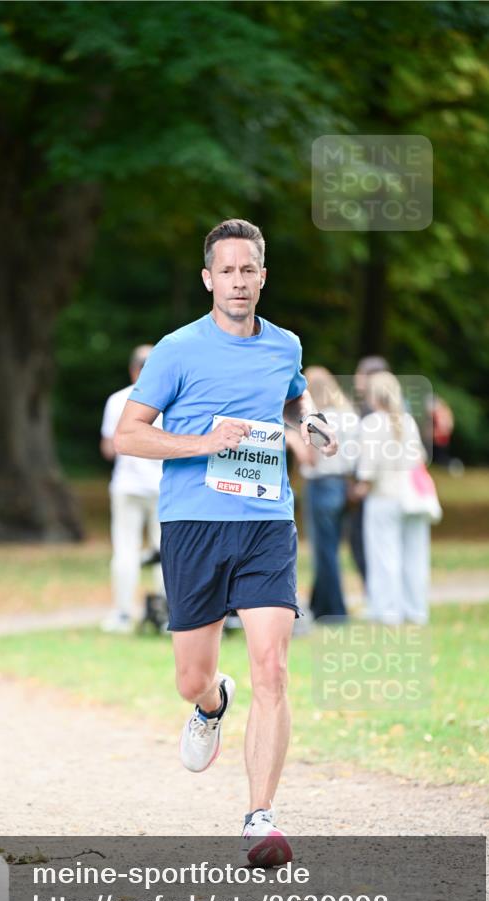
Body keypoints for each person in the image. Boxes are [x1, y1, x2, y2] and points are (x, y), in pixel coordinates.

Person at [114, 219, 337, 865]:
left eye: (248, 270)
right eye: (226, 271)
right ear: (208, 279)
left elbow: (294, 398)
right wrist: (203, 443)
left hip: (266, 522)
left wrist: (312, 422)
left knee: (273, 667)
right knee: (191, 677)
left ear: (262, 276)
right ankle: (211, 705)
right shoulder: (177, 350)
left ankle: (259, 819)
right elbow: (128, 435)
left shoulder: (285, 345)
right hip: (193, 524)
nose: (238, 281)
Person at [353, 371, 431, 625]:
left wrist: (359, 488)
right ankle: (416, 610)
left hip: (383, 497)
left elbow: (368, 467)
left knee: (384, 556)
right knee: (415, 555)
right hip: (411, 498)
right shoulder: (408, 421)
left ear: (374, 396)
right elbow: (420, 458)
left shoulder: (371, 424)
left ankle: (387, 611)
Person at [100, 345, 164, 633]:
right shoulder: (170, 400)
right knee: (166, 551)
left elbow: (109, 448)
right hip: (163, 486)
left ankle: (123, 614)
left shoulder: (117, 400)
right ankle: (167, 612)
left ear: (133, 369)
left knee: (125, 550)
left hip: (127, 485)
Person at [289, 366, 358, 620]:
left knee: (323, 551)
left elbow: (312, 458)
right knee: (332, 547)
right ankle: (320, 605)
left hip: (321, 485)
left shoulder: (319, 420)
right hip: (342, 484)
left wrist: (293, 441)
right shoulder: (349, 416)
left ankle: (334, 609)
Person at [347, 355, 391, 582]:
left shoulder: (373, 413)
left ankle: (374, 590)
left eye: (360, 374)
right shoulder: (368, 408)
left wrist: (360, 485)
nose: (356, 379)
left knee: (367, 543)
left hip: (373, 489)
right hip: (371, 487)